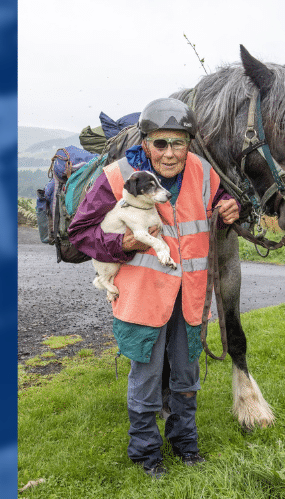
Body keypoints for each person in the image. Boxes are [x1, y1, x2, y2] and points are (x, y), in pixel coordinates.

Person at [68, 97, 240, 478]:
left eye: (177, 143)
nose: (169, 152)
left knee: (186, 377)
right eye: (160, 143)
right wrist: (124, 244)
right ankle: (145, 453)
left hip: (190, 297)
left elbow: (221, 200)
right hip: (143, 298)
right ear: (145, 142)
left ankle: (186, 445)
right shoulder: (117, 176)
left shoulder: (202, 172)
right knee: (146, 381)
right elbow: (80, 232)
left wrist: (230, 206)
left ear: (189, 144)